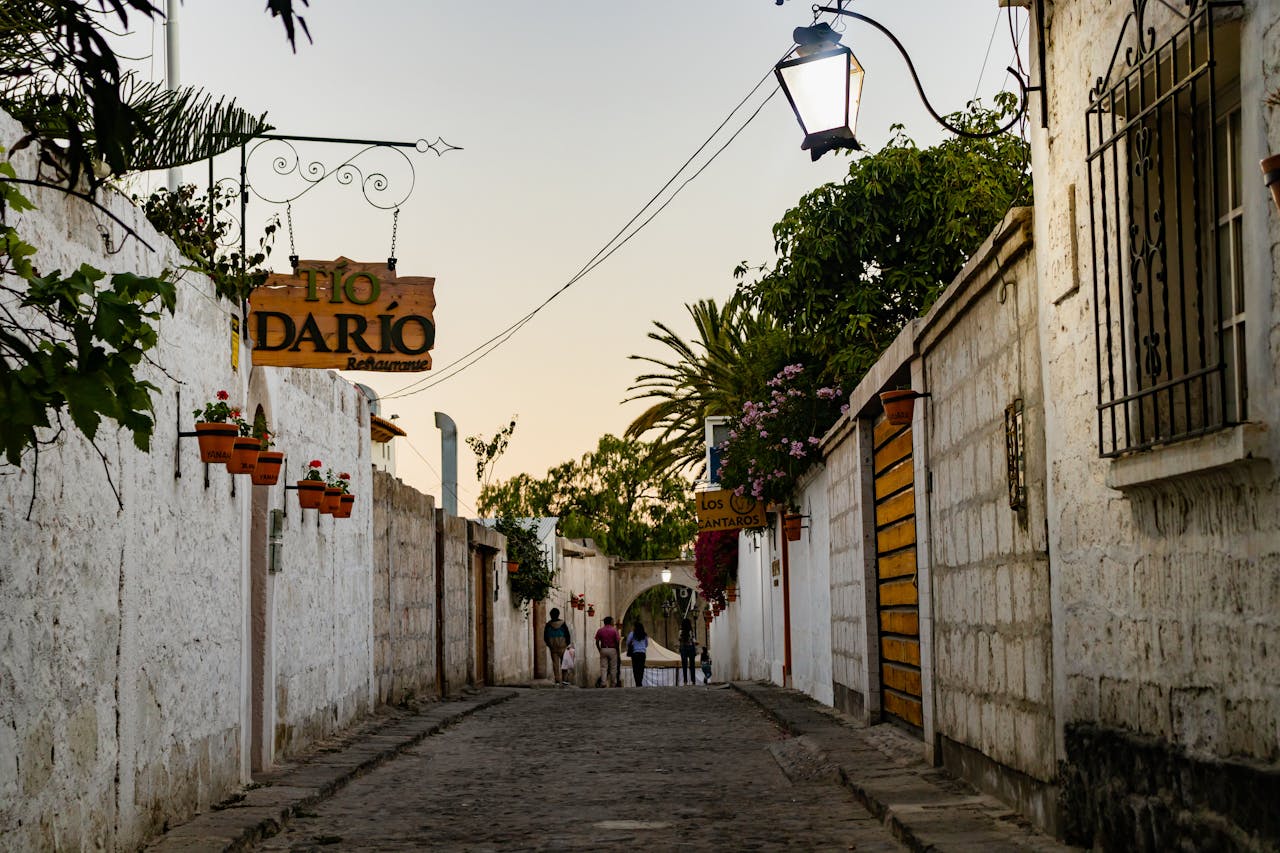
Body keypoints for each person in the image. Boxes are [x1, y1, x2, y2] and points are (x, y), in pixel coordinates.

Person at [543, 608, 571, 685]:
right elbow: (567, 635)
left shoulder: (548, 625)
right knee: (564, 663)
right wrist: (567, 644)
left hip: (553, 648)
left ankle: (557, 680)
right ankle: (564, 680)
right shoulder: (563, 623)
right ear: (558, 614)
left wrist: (549, 645)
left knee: (555, 664)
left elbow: (545, 637)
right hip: (563, 646)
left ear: (551, 615)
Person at [594, 616, 621, 688]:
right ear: (610, 622)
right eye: (612, 621)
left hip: (603, 649)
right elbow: (617, 641)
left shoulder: (600, 630)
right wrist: (617, 650)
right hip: (612, 649)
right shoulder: (614, 630)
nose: (613, 622)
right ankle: (613, 683)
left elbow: (596, 642)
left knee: (603, 667)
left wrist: (599, 649)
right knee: (613, 667)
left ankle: (603, 683)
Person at [626, 620, 649, 687]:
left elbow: (627, 642)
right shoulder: (644, 635)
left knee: (635, 669)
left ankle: (637, 683)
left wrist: (633, 645)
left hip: (635, 653)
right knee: (641, 669)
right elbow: (646, 645)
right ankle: (640, 682)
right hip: (642, 653)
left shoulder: (632, 634)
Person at [678, 617, 697, 685]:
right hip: (691, 648)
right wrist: (695, 642)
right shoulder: (691, 631)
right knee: (692, 665)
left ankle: (685, 681)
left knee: (684, 665)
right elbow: (694, 640)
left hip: (683, 648)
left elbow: (679, 639)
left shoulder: (680, 632)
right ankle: (693, 680)